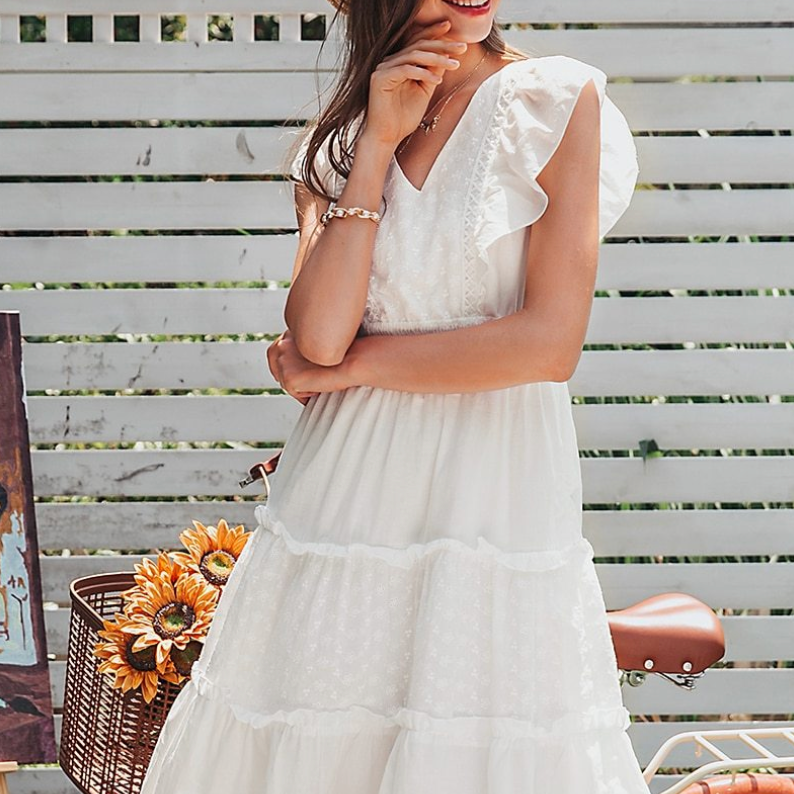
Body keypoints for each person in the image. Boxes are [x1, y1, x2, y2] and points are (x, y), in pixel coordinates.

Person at [140, 0, 645, 791]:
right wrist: (375, 145)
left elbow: (547, 346)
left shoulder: (553, 101)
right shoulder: (339, 144)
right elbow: (319, 335)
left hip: (490, 510)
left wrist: (349, 372)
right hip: (340, 513)